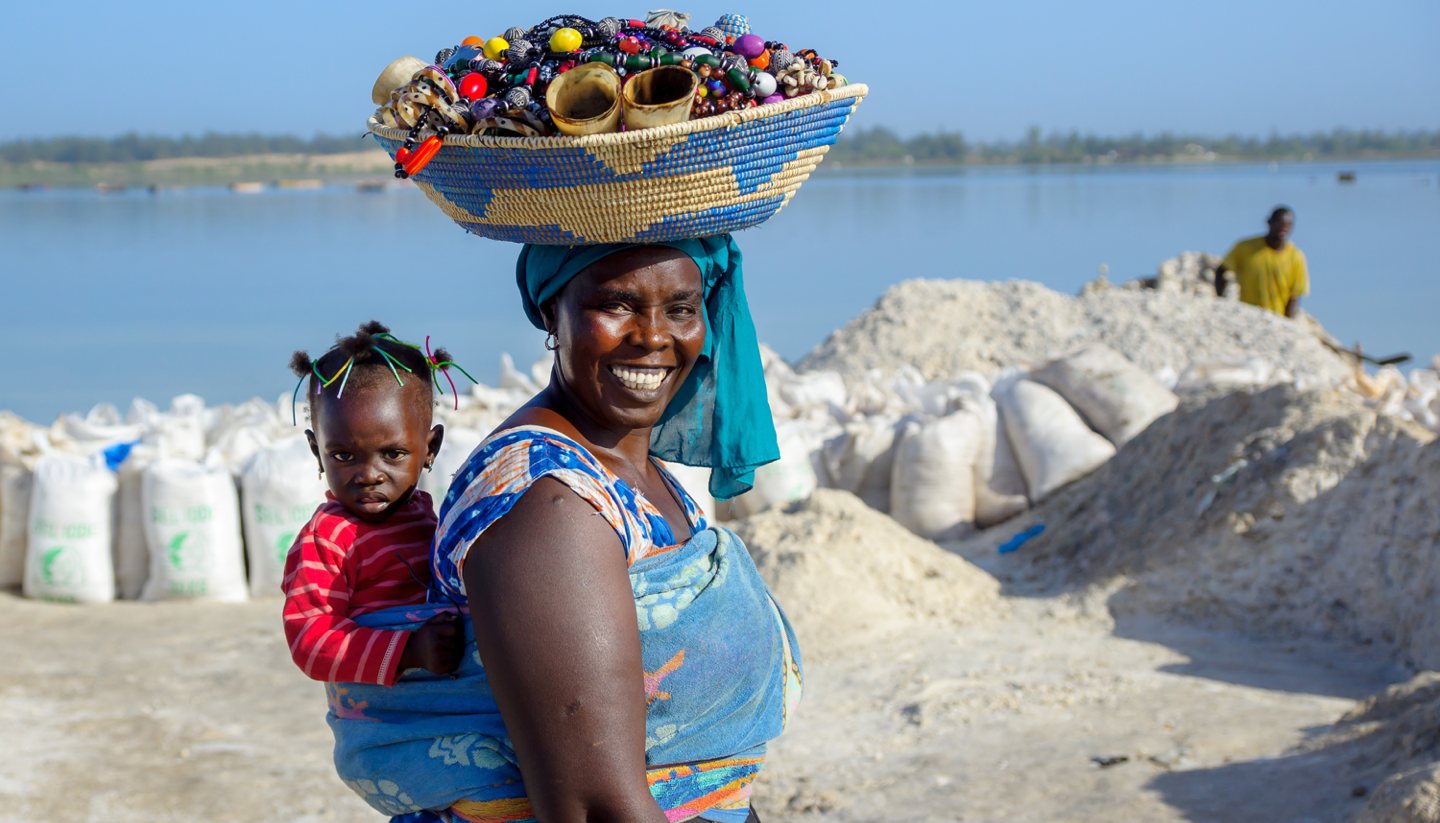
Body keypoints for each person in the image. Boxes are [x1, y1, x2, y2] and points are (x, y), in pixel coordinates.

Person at [326, 238, 800, 823]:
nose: (653, 337)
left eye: (680, 308)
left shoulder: (630, 467)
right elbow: (597, 806)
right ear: (552, 312)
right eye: (617, 305)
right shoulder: (547, 500)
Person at [280, 321, 464, 686]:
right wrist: (409, 650)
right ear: (318, 453)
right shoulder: (328, 540)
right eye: (344, 456)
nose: (368, 474)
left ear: (430, 450)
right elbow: (309, 641)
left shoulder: (428, 520)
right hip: (381, 721)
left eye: (392, 454)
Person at [1213, 206, 1309, 318]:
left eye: (1288, 225)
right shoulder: (1245, 248)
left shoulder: (1296, 257)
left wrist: (1287, 322)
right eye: (1279, 223)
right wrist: (1222, 300)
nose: (1283, 228)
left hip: (1276, 318)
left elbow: (1295, 295)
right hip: (1248, 315)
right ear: (1269, 222)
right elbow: (1222, 270)